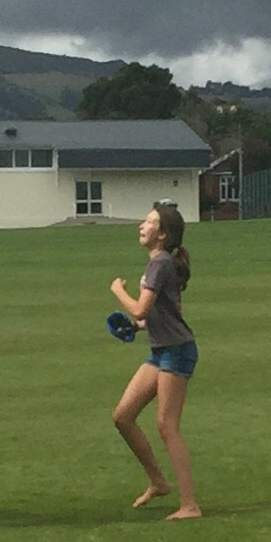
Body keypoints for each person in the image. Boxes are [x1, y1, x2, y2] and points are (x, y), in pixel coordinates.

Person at [109, 202, 201, 520]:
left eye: (149, 222)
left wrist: (118, 290)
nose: (142, 225)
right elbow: (163, 312)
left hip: (177, 350)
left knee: (167, 426)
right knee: (123, 416)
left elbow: (140, 308)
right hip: (162, 350)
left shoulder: (159, 264)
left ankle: (190, 505)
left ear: (162, 234)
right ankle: (159, 482)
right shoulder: (161, 263)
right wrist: (137, 327)